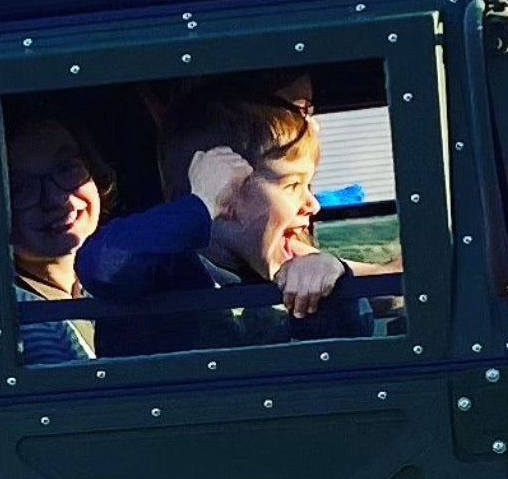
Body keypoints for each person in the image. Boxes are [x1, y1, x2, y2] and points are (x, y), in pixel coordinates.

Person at [74, 89, 372, 355]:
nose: (313, 204)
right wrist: (201, 206)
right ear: (225, 190)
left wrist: (331, 278)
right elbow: (100, 265)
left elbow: (346, 352)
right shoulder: (164, 272)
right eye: (292, 185)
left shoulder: (285, 276)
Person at [5, 110, 115, 365]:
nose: (56, 199)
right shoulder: (19, 323)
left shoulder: (122, 281)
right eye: (20, 188)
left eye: (67, 168)